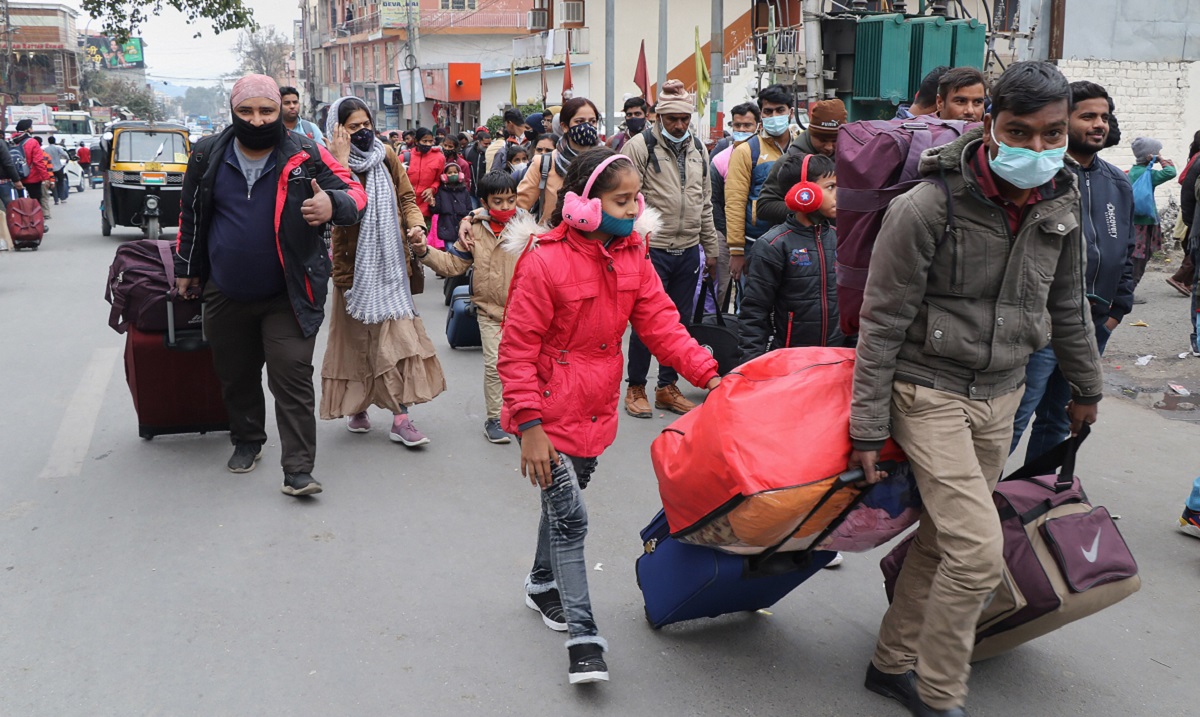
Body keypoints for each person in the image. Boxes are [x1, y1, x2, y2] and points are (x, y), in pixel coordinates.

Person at [849, 61, 1103, 717]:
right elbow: (882, 321)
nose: (1037, 149)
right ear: (988, 124)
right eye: (1019, 132)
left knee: (942, 541)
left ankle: (890, 662)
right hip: (927, 389)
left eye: (1052, 134)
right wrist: (867, 426)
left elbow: (1069, 303)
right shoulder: (927, 206)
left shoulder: (1061, 200)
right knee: (976, 550)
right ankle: (939, 692)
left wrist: (1086, 386)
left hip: (1003, 390)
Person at [500, 147, 721, 685]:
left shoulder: (634, 253)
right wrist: (529, 426)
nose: (633, 208)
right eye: (621, 200)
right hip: (548, 413)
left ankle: (539, 583)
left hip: (596, 411)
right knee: (572, 518)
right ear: (583, 204)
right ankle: (584, 639)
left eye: (635, 199)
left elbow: (662, 324)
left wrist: (710, 375)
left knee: (564, 500)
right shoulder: (544, 258)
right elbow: (516, 348)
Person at [174, 74, 367, 497]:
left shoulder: (305, 151)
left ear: (280, 110)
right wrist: (185, 268)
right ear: (232, 111)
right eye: (246, 111)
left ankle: (298, 469)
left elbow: (353, 191)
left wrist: (330, 203)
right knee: (236, 375)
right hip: (224, 291)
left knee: (291, 379)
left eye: (267, 111)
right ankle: (247, 440)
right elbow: (191, 215)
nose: (257, 121)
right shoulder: (207, 155)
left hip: (290, 293)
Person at [1009, 80, 1134, 462]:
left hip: (1094, 326)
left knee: (1059, 423)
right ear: (1064, 121)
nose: (1098, 124)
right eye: (1088, 116)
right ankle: (979, 508)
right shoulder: (1043, 176)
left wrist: (1117, 310)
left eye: (1104, 117)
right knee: (1013, 418)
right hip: (1042, 326)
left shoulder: (1117, 183)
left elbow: (1127, 250)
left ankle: (1030, 504)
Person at [320, 96, 445, 447]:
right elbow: (335, 204)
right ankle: (356, 406)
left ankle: (400, 417)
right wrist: (341, 162)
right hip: (352, 269)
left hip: (391, 266)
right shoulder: (327, 159)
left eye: (366, 125)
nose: (362, 133)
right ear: (338, 129)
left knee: (398, 341)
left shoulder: (386, 154)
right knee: (356, 343)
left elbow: (406, 197)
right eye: (353, 127)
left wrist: (416, 225)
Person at [620, 79, 719, 417]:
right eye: (672, 118)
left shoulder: (700, 149)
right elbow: (624, 200)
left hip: (689, 249)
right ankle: (635, 386)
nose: (679, 124)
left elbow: (704, 202)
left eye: (685, 118)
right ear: (658, 116)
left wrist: (712, 248)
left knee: (678, 323)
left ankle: (666, 386)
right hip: (652, 250)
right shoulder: (638, 147)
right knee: (646, 323)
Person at [413, 170, 523, 444]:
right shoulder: (473, 230)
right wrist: (424, 252)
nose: (506, 207)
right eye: (498, 201)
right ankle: (495, 419)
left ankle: (525, 415)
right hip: (488, 312)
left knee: (525, 367)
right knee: (495, 366)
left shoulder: (528, 229)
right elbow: (453, 265)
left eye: (511, 200)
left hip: (525, 314)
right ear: (484, 202)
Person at [739, 153, 844, 361]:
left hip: (836, 358)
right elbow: (754, 314)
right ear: (804, 192)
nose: (838, 194)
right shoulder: (773, 245)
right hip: (789, 362)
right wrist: (751, 370)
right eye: (830, 187)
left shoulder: (840, 240)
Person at [743, 98, 847, 270]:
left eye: (835, 140)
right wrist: (808, 207)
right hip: (795, 255)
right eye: (822, 139)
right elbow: (764, 207)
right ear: (810, 132)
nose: (829, 147)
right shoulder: (790, 162)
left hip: (836, 252)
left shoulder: (851, 160)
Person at [724, 84, 798, 281]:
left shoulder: (802, 147)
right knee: (753, 306)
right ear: (761, 116)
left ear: (790, 112)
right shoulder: (746, 151)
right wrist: (737, 250)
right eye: (768, 111)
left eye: (779, 110)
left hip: (797, 240)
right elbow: (735, 202)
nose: (774, 116)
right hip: (755, 244)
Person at [710, 102, 761, 308]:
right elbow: (714, 201)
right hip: (726, 235)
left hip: (757, 235)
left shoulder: (766, 155)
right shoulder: (721, 159)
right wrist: (730, 237)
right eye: (737, 125)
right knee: (723, 288)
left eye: (747, 126)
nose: (741, 130)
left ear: (758, 125)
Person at [1127, 136, 1178, 293]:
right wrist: (1161, 159)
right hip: (1145, 223)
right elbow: (1171, 172)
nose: (1159, 153)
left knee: (1134, 256)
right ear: (1150, 155)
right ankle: (1128, 291)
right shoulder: (1149, 175)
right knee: (1140, 258)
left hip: (1132, 222)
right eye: (1157, 152)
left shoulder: (1132, 172)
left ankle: (1126, 288)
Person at [1169, 130, 1200, 296]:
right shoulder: (1198, 159)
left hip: (1191, 211)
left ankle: (1187, 283)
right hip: (1192, 212)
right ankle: (1179, 278)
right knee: (1193, 248)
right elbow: (1183, 179)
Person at [11, 120, 51, 231]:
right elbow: (38, 162)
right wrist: (46, 177)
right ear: (27, 130)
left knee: (19, 203)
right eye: (31, 127)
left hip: (15, 178)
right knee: (35, 202)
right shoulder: (32, 142)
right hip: (32, 178)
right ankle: (37, 224)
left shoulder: (11, 141)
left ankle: (20, 224)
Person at [405, 127, 443, 229]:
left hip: (427, 208)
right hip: (407, 207)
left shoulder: (439, 157)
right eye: (424, 141)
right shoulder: (404, 158)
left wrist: (432, 188)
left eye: (430, 141)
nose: (427, 144)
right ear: (417, 141)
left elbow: (439, 179)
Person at [432, 160, 473, 250]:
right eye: (449, 173)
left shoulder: (464, 191)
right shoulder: (441, 191)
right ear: (444, 176)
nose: (453, 174)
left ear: (460, 174)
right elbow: (436, 210)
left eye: (455, 172)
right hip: (447, 229)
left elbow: (469, 209)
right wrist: (432, 204)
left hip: (461, 229)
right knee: (451, 251)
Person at [465, 128, 492, 199]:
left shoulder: (491, 154)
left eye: (490, 143)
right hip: (471, 192)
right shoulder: (468, 152)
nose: (488, 146)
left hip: (485, 194)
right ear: (478, 142)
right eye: (485, 144)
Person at [44, 137, 69, 204]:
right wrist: (67, 160)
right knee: (61, 182)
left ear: (48, 141)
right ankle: (62, 198)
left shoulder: (45, 149)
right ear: (54, 141)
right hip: (58, 167)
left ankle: (56, 200)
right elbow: (65, 154)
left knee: (53, 184)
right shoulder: (57, 148)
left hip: (50, 169)